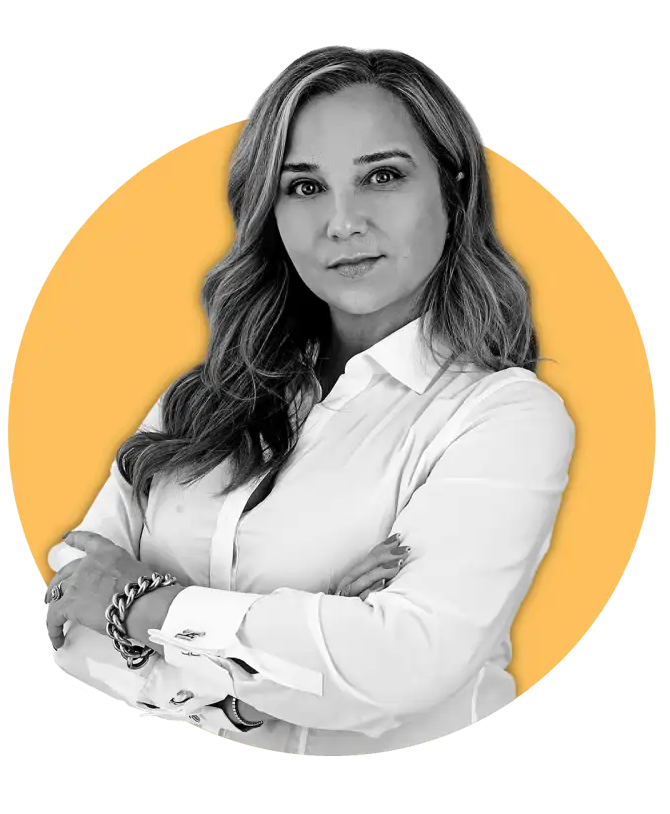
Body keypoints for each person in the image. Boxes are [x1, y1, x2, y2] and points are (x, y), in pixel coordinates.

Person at [44, 44, 575, 758]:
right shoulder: (200, 398)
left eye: (382, 176)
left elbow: (403, 666)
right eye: (303, 186)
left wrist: (137, 606)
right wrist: (304, 635)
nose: (342, 222)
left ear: (453, 191)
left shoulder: (504, 418)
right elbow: (66, 611)